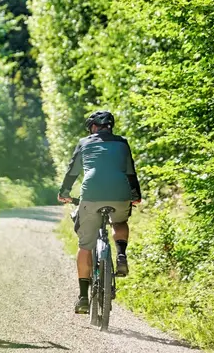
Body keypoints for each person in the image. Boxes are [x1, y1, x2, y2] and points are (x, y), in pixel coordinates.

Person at [57, 110, 142, 314]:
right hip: (120, 192)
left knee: (85, 245)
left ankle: (83, 298)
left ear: (93, 127)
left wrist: (64, 192)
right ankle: (121, 254)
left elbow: (73, 171)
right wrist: (136, 195)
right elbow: (130, 172)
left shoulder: (84, 143)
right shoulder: (122, 143)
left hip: (91, 194)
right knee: (119, 222)